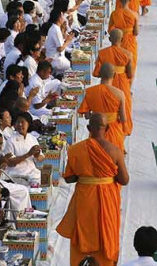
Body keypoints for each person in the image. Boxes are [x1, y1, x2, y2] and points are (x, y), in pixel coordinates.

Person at [56, 112, 129, 266]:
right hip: (107, 198)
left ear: (89, 128)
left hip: (84, 198)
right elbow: (124, 180)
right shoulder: (115, 151)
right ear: (107, 128)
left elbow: (69, 178)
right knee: (106, 233)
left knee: (82, 233)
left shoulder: (75, 150)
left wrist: (84, 175)